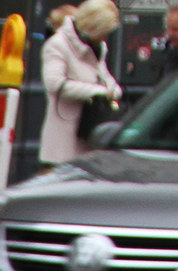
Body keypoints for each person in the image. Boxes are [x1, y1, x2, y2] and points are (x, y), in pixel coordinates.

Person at [40, 0, 122, 164]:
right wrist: (97, 91)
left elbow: (104, 76)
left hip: (89, 132)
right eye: (103, 32)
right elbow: (54, 83)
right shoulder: (58, 44)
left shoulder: (98, 47)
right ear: (92, 28)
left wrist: (113, 90)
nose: (105, 38)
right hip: (63, 141)